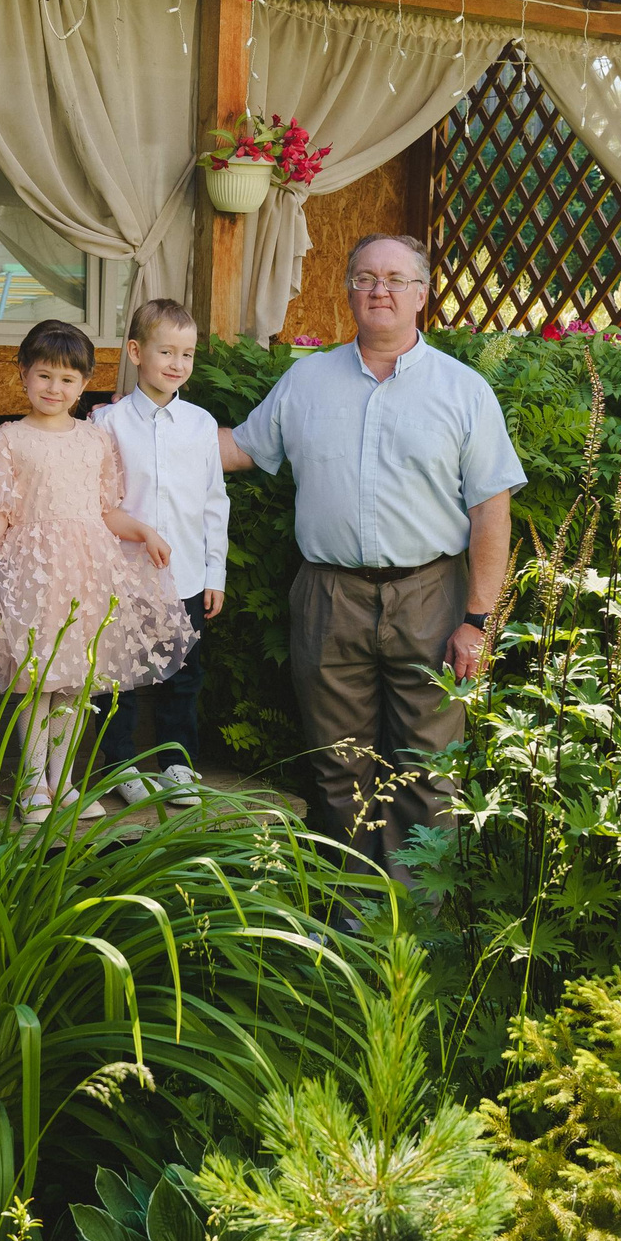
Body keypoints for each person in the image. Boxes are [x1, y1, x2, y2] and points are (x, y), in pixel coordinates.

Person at [219, 233, 524, 873]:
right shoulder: (306, 380)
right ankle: (354, 912)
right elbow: (241, 449)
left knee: (429, 765)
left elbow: (491, 509)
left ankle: (420, 919)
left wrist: (477, 621)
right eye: (365, 277)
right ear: (349, 290)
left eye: (394, 278)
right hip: (329, 595)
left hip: (432, 595)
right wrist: (140, 431)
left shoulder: (463, 390)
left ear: (420, 294)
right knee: (337, 761)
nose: (378, 290)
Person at [0, 320, 193, 819]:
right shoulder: (9, 438)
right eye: (44, 377)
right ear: (23, 375)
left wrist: (145, 532)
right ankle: (31, 784)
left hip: (87, 571)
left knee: (72, 679)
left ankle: (62, 781)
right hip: (34, 572)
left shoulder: (95, 440)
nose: (54, 389)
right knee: (34, 678)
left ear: (84, 383)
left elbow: (108, 509)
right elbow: (2, 507)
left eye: (67, 380)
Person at [93, 299, 229, 808]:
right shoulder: (108, 423)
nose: (177, 363)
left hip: (187, 574)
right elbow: (99, 501)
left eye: (187, 354)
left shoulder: (199, 423)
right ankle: (121, 767)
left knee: (184, 673)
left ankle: (177, 764)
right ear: (136, 352)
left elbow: (215, 501)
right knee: (119, 675)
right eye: (165, 351)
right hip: (124, 573)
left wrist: (214, 571)